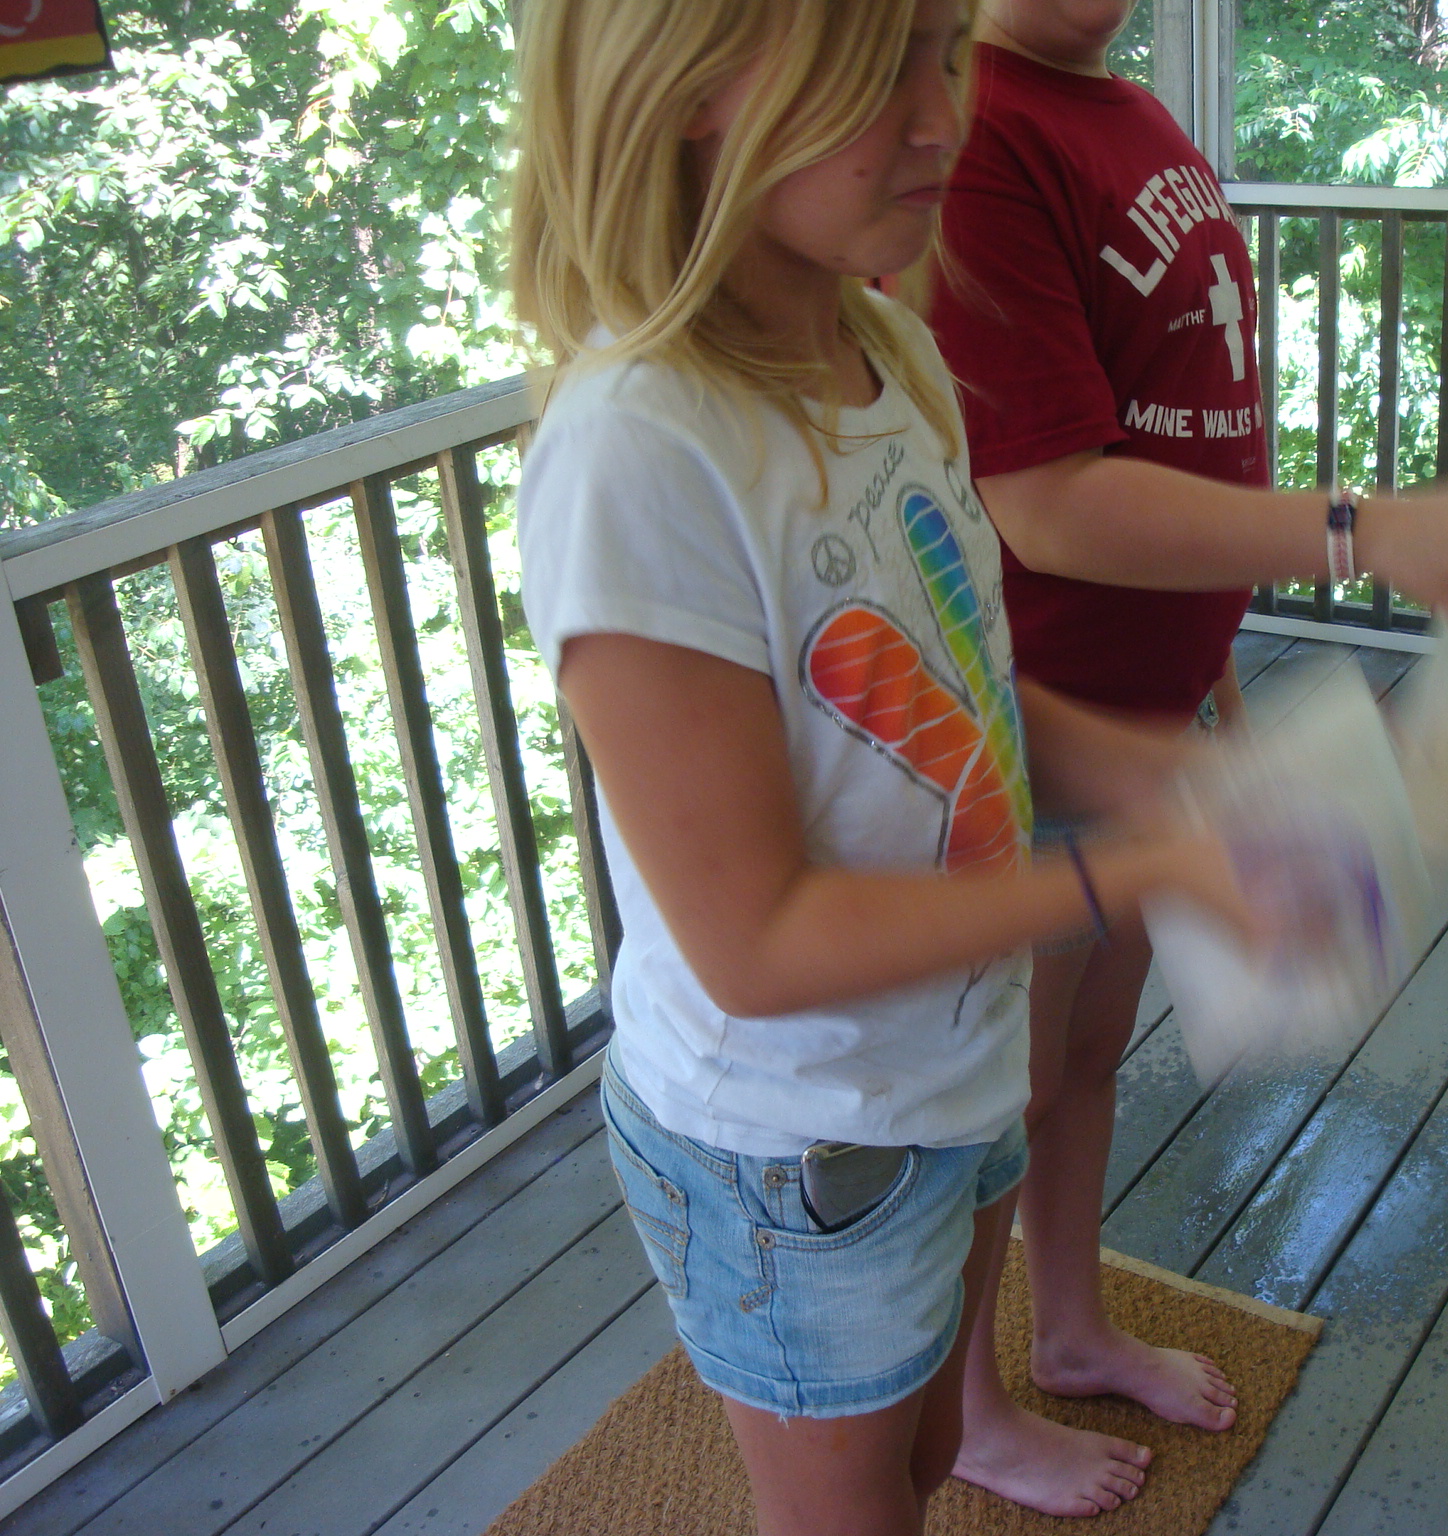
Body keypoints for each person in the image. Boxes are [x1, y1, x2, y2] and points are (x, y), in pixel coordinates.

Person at [507, 2, 1261, 1530]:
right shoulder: (642, 452)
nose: (943, 117)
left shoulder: (887, 351)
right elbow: (759, 939)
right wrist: (1127, 866)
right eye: (875, 71)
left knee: (923, 1459)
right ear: (692, 84)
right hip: (794, 1150)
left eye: (940, 47)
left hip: (950, 1071)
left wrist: (1156, 775)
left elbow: (969, 694)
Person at [922, 0, 1448, 1515]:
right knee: (990, 1103)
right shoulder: (973, 124)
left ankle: (1067, 1330)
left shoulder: (1120, 114)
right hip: (1041, 723)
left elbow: (1178, 421)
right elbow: (1050, 500)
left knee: (1081, 1065)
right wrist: (1359, 528)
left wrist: (1211, 682)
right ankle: (971, 1411)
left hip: (1152, 713)